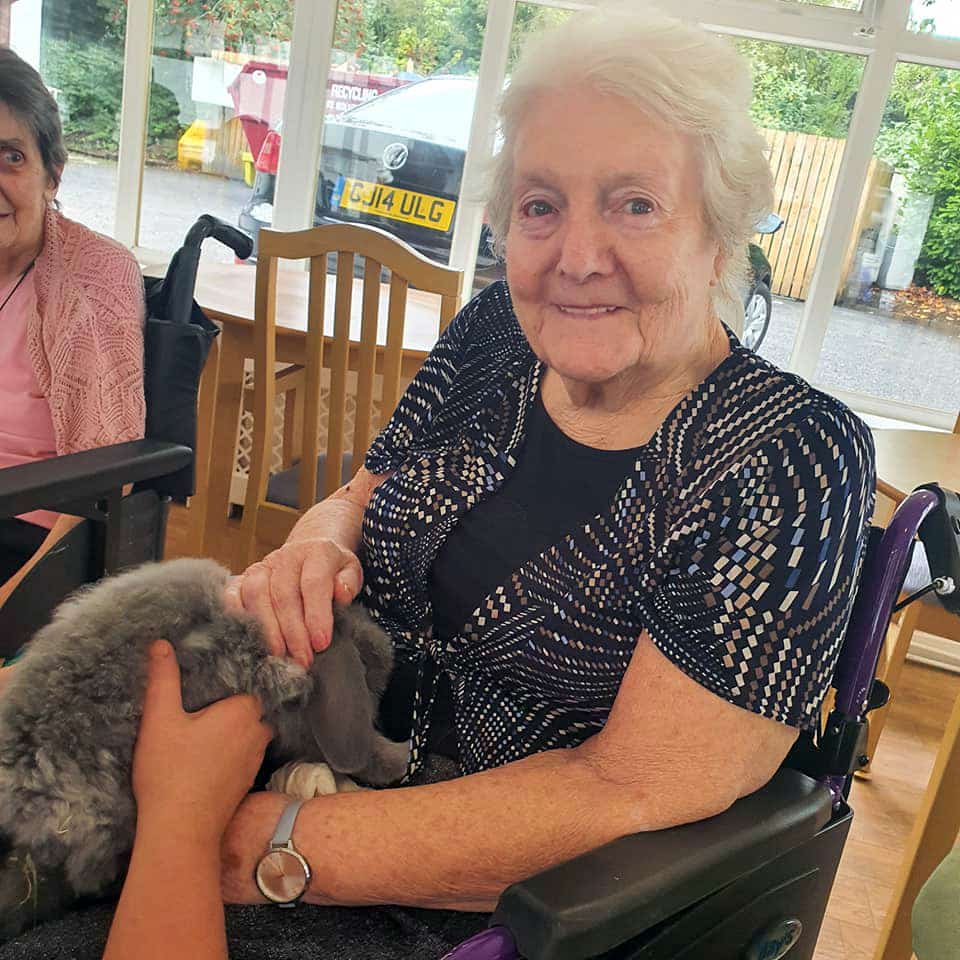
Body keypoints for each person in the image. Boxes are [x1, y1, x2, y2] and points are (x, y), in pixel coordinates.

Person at [8, 7, 876, 958]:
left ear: (720, 234)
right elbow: (360, 495)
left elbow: (634, 790)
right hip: (302, 754)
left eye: (635, 203)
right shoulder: (497, 331)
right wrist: (316, 545)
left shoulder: (791, 456)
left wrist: (251, 839)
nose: (577, 258)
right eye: (541, 206)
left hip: (457, 901)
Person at [0, 49, 145, 621]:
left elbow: (107, 474)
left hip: (27, 528)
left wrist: (15, 604)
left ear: (51, 173)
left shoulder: (94, 275)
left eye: (10, 157)